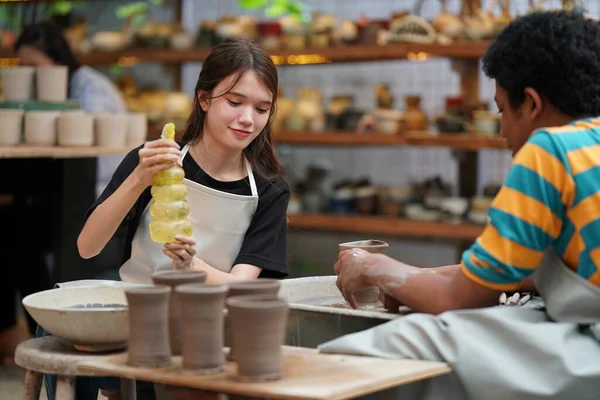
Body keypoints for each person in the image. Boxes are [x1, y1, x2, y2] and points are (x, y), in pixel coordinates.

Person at [319, 10, 600, 400]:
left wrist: (374, 266)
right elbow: (531, 272)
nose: (501, 129)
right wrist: (416, 276)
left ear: (532, 104)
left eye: (502, 110)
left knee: (374, 351)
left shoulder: (550, 150)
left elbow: (461, 299)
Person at [71, 38, 289, 399]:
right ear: (204, 99)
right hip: (136, 326)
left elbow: (242, 287)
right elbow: (87, 247)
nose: (248, 119)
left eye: (262, 109)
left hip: (210, 338)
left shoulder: (268, 192)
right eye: (234, 103)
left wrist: (192, 267)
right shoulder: (151, 161)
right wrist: (140, 177)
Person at [0, 21, 127, 363]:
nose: (27, 74)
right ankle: (21, 334)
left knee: (19, 240)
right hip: (65, 191)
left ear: (58, 61)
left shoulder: (88, 91)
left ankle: (40, 336)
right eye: (21, 68)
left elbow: (83, 155)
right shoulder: (46, 94)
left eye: (34, 67)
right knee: (13, 234)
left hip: (97, 194)